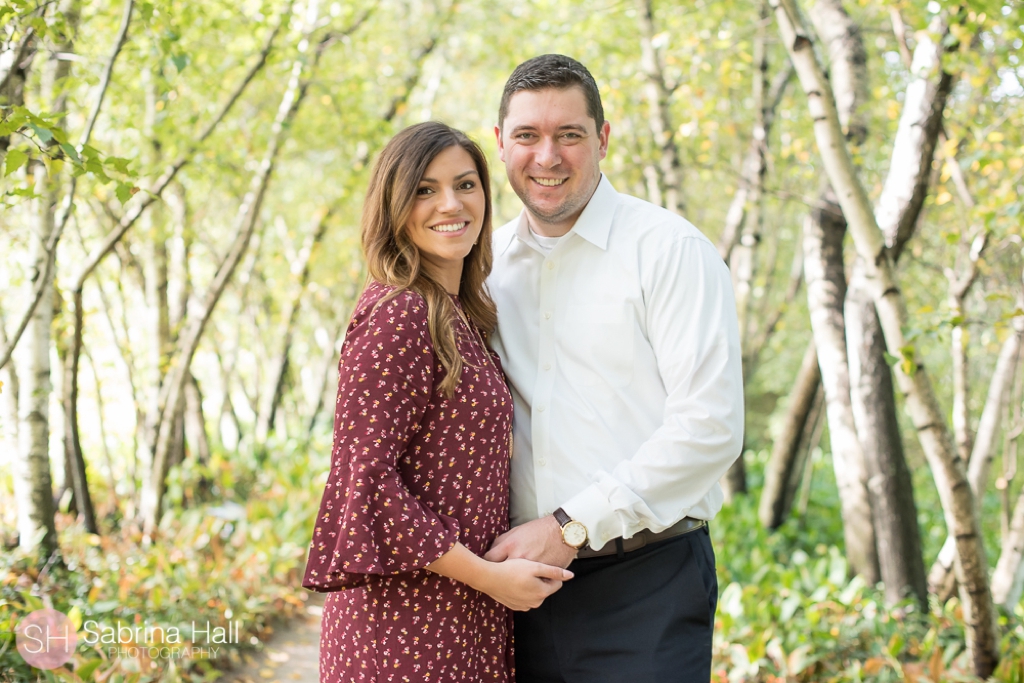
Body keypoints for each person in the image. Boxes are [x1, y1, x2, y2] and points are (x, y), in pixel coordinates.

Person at [484, 54, 745, 682]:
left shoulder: (669, 251)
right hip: (511, 593)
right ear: (499, 144)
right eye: (527, 136)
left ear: (602, 138)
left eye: (568, 135)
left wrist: (571, 526)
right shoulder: (481, 264)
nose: (547, 156)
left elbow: (709, 428)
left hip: (646, 584)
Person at [302, 121, 573, 683]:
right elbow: (367, 484)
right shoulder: (398, 314)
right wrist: (487, 577)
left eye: (465, 184)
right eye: (425, 189)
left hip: (464, 614)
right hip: (404, 624)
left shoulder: (461, 315)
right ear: (394, 206)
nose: (450, 204)